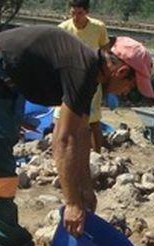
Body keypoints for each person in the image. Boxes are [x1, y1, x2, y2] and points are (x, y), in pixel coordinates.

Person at [0, 26, 153, 246]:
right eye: (131, 86)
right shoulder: (82, 70)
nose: (127, 93)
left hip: (4, 85)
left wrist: (85, 188)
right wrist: (72, 203)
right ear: (121, 71)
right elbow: (64, 140)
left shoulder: (89, 75)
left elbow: (80, 135)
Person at [58, 0, 110, 153]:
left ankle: (97, 153)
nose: (76, 17)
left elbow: (106, 54)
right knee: (61, 117)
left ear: (86, 12)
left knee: (93, 119)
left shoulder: (98, 28)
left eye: (79, 13)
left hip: (92, 80)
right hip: (69, 81)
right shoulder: (63, 29)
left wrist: (107, 83)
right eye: (73, 13)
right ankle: (62, 151)